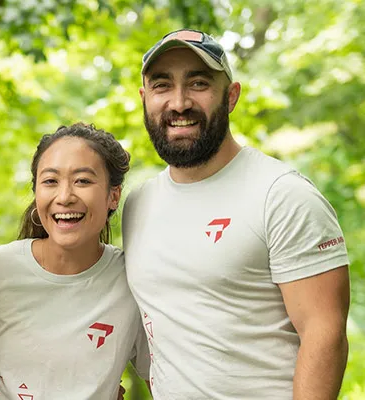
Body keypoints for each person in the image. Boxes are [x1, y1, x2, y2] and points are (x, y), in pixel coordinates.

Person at [123, 29, 350, 399]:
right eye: (162, 85)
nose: (179, 103)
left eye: (198, 83)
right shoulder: (138, 203)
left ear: (231, 97)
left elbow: (325, 333)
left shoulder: (281, 194)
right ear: (144, 98)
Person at [0, 123, 149, 399]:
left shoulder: (133, 279)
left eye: (83, 181)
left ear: (113, 195)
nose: (65, 197)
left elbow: (168, 378)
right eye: (50, 181)